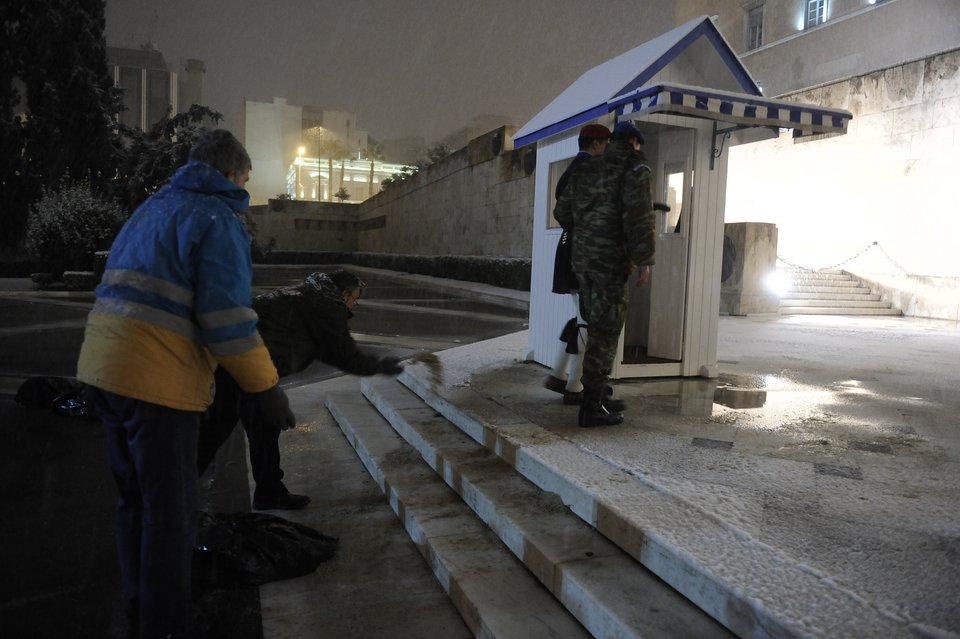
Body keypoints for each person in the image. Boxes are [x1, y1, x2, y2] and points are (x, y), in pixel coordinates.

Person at [77, 129, 293, 639]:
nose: (246, 185)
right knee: (170, 515)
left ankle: (140, 608)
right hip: (157, 383)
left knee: (134, 502)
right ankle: (167, 625)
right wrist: (266, 389)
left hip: (105, 370)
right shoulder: (218, 219)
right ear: (233, 175)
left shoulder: (151, 208)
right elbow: (227, 320)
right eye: (245, 177)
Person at [197, 269, 406, 509]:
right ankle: (173, 496)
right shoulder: (326, 306)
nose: (354, 306)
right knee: (212, 434)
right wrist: (380, 365)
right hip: (240, 368)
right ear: (344, 293)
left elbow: (325, 349)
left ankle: (268, 492)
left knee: (263, 428)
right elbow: (344, 354)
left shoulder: (309, 295)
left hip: (248, 367)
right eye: (355, 299)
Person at [553, 120, 655, 427]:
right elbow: (639, 216)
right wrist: (644, 259)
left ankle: (595, 395)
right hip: (610, 262)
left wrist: (589, 227)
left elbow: (562, 212)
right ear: (635, 143)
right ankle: (592, 405)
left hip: (583, 262)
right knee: (606, 332)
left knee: (594, 326)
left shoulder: (589, 167)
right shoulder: (634, 168)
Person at [545, 123, 610, 405]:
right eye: (605, 143)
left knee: (580, 317)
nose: (606, 148)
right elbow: (566, 212)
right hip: (581, 253)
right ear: (595, 143)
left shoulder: (573, 169)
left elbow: (562, 210)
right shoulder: (588, 171)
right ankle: (573, 387)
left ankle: (560, 376)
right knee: (587, 322)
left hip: (570, 247)